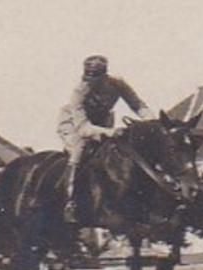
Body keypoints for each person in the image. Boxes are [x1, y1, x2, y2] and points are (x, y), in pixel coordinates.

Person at [57, 54, 149, 222]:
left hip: (102, 123)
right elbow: (84, 128)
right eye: (87, 77)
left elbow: (138, 105)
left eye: (95, 78)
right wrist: (110, 132)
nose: (90, 83)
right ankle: (70, 201)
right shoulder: (79, 93)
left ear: (105, 76)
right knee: (80, 148)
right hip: (74, 126)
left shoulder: (117, 84)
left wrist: (151, 122)